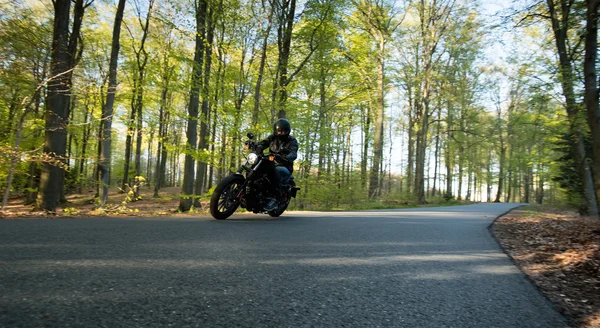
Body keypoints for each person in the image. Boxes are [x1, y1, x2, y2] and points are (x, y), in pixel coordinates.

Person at [255, 118, 298, 211]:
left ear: (288, 131)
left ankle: (275, 198)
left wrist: (286, 157)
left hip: (285, 166)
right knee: (256, 167)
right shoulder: (272, 137)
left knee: (276, 171)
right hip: (271, 162)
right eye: (279, 131)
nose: (281, 133)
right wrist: (257, 146)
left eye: (283, 131)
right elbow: (264, 143)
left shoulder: (292, 141)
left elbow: (293, 153)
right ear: (276, 130)